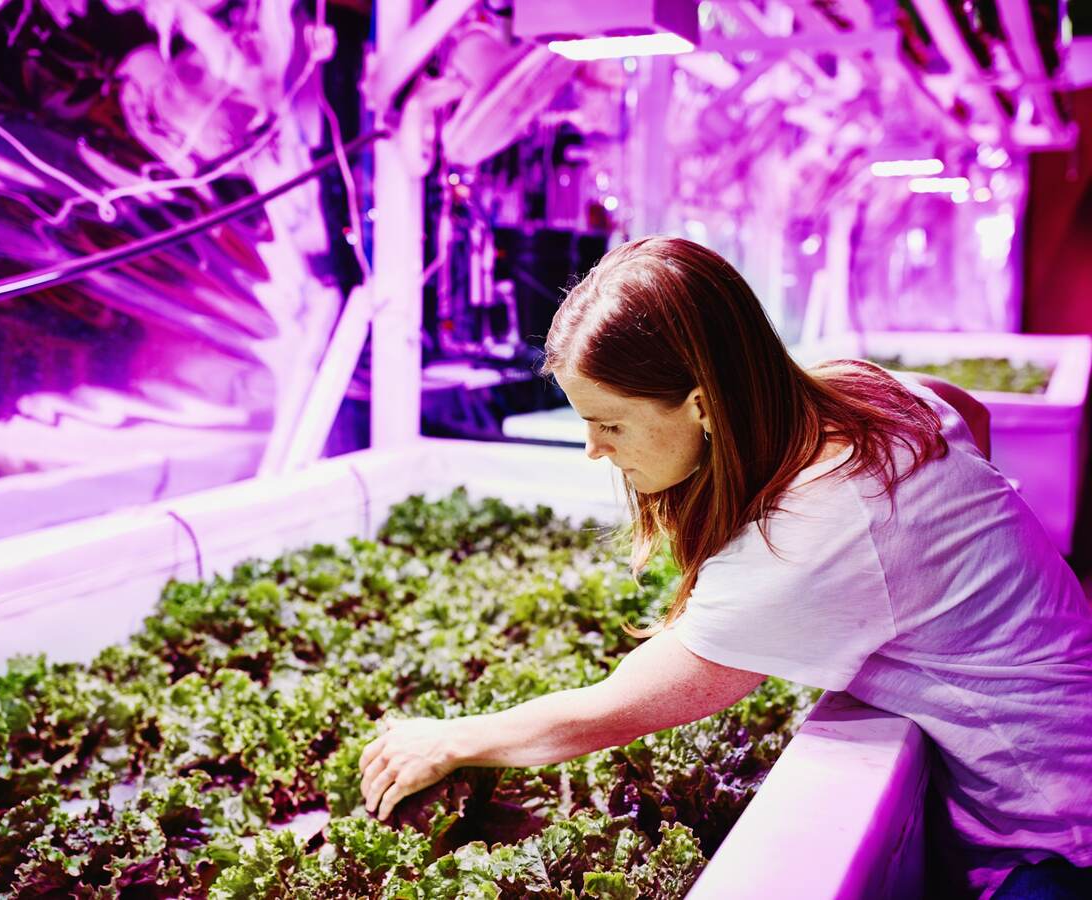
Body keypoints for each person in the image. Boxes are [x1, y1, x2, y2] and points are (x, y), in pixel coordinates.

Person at [357, 237, 1092, 900]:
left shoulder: (819, 527)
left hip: (1054, 839)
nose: (593, 450)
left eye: (610, 424)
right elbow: (970, 413)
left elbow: (614, 710)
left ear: (705, 404)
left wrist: (450, 738)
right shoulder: (856, 388)